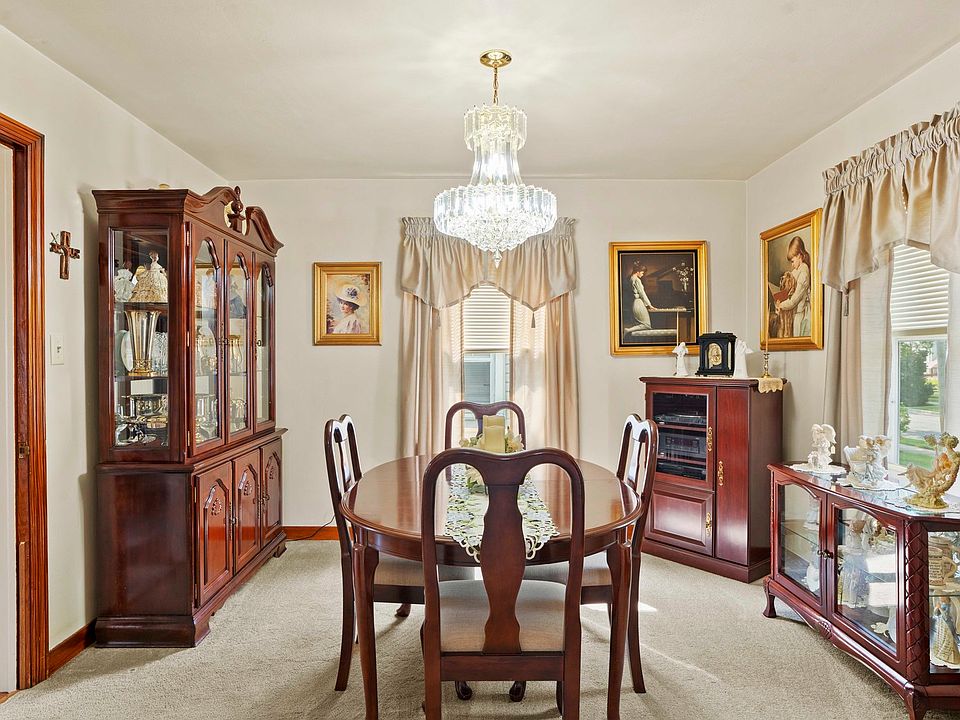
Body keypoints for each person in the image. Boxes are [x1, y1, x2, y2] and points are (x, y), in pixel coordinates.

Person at [775, 236, 811, 338]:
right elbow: (788, 288)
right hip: (795, 314)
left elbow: (794, 301)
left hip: (801, 315)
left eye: (792, 261)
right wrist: (779, 297)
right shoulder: (796, 270)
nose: (792, 265)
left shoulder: (804, 273)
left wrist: (780, 305)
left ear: (799, 255)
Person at [627, 261, 657, 331]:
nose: (643, 275)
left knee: (642, 324)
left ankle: (629, 330)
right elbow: (642, 294)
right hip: (638, 303)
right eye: (642, 273)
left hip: (635, 303)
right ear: (638, 272)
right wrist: (649, 305)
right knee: (647, 325)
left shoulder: (631, 278)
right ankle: (628, 330)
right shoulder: (637, 280)